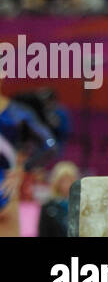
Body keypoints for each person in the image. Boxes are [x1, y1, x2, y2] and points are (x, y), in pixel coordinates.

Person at [0, 75, 60, 237]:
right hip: (6, 189)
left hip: (6, 189)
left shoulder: (16, 113)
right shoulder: (16, 112)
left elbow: (50, 145)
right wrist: (22, 168)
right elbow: (50, 146)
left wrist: (23, 168)